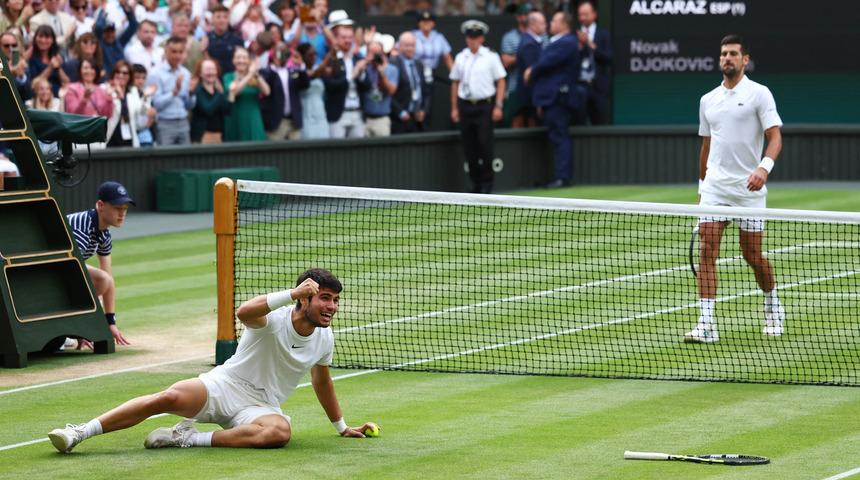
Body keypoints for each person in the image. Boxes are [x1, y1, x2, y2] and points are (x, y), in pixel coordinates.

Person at [48, 268, 378, 453]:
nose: (332, 306)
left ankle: (187, 437)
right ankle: (80, 432)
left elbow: (322, 381)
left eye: (335, 300)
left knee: (279, 434)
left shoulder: (325, 338)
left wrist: (341, 426)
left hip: (260, 406)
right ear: (304, 297)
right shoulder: (273, 319)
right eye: (324, 298)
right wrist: (288, 294)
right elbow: (243, 312)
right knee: (167, 398)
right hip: (223, 386)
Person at [684, 34, 784, 343]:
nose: (727, 58)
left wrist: (763, 169)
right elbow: (706, 146)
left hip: (748, 191)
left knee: (752, 255)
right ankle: (706, 323)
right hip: (715, 188)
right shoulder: (707, 100)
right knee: (707, 251)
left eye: (733, 54)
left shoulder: (760, 94)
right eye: (724, 53)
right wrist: (702, 187)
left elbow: (775, 137)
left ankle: (772, 304)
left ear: (745, 60)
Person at [63, 181, 134, 349]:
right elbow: (69, 273)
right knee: (100, 280)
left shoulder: (104, 233)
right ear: (101, 205)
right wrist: (83, 326)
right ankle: (66, 330)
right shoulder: (81, 227)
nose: (122, 213)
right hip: (46, 273)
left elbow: (108, 279)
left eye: (125, 209)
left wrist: (110, 322)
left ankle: (71, 328)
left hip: (63, 271)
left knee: (104, 279)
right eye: (117, 208)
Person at [524, 11, 582, 189]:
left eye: (555, 21)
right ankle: (560, 176)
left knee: (560, 137)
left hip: (558, 98)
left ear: (564, 24)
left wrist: (532, 70)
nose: (551, 24)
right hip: (550, 99)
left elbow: (547, 62)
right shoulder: (558, 41)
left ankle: (562, 177)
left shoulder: (568, 42)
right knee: (557, 137)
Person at [449, 20, 505, 194]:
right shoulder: (460, 57)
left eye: (476, 37)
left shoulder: (491, 56)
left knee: (485, 145)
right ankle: (475, 185)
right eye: (469, 37)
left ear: (481, 38)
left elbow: (501, 80)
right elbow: (455, 83)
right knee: (469, 147)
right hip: (466, 107)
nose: (472, 40)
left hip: (484, 106)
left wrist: (498, 105)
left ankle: (487, 185)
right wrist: (454, 108)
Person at [323, 13, 369, 139]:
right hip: (338, 114)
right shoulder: (331, 60)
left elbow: (367, 86)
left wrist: (361, 73)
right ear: (336, 38)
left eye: (350, 37)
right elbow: (330, 86)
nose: (348, 41)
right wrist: (351, 75)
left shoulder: (358, 58)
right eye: (344, 37)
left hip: (358, 113)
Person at [260, 42, 309, 141]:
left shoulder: (293, 71)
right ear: (273, 54)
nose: (282, 55)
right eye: (279, 52)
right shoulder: (266, 71)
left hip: (294, 120)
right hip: (276, 122)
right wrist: (275, 65)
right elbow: (266, 89)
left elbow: (305, 85)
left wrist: (301, 66)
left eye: (285, 52)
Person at [413, 10, 452, 127]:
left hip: (431, 75)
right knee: (416, 101)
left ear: (433, 23)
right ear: (419, 23)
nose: (426, 24)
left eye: (429, 21)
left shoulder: (438, 37)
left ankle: (425, 126)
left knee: (428, 104)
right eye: (423, 21)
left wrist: (456, 76)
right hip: (415, 74)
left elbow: (447, 58)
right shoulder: (412, 36)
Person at [574, 0, 612, 125]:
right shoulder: (574, 35)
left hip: (599, 87)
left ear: (594, 14)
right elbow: (570, 60)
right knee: (578, 122)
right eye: (580, 15)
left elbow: (608, 58)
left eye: (586, 14)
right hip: (580, 87)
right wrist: (580, 46)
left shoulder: (604, 34)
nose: (583, 18)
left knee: (601, 121)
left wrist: (590, 44)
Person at [223, 47, 270, 142]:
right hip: (235, 119)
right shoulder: (228, 76)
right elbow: (234, 92)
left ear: (249, 61)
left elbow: (267, 91)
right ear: (233, 60)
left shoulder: (255, 77)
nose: (241, 60)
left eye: (244, 58)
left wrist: (256, 74)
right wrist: (249, 75)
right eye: (238, 57)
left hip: (253, 120)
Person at [389, 31, 429, 134]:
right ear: (399, 46)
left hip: (417, 117)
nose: (410, 48)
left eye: (412, 45)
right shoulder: (393, 63)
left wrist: (423, 109)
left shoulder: (419, 64)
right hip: (399, 117)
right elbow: (388, 91)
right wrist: (400, 112)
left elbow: (425, 90)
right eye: (407, 45)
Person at [357, 37, 397, 137]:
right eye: (371, 52)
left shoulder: (391, 69)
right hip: (364, 118)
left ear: (382, 53)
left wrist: (382, 73)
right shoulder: (364, 68)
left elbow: (391, 91)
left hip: (382, 119)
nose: (374, 56)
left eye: (377, 53)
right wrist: (365, 62)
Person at [499, 3, 531, 127]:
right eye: (522, 15)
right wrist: (525, 56)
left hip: (535, 86)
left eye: (527, 15)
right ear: (518, 17)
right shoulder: (509, 37)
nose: (525, 18)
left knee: (534, 121)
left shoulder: (540, 34)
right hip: (515, 87)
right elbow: (505, 62)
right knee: (516, 120)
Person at [106, 60, 147, 148]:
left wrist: (145, 97)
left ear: (129, 76)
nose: (121, 75)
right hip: (111, 135)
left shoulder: (133, 91)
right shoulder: (106, 88)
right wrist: (113, 95)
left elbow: (141, 112)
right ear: (113, 73)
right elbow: (104, 112)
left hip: (129, 135)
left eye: (125, 73)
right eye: (118, 72)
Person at [515, 11, 546, 129]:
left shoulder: (533, 41)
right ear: (532, 25)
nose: (545, 26)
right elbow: (533, 73)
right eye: (542, 23)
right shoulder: (529, 44)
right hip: (531, 96)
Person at [190, 58, 231, 143]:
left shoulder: (218, 91)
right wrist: (220, 94)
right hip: (202, 136)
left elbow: (227, 110)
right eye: (207, 70)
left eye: (213, 69)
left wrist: (227, 94)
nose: (211, 72)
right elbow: (208, 109)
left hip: (218, 135)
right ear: (200, 73)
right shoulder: (198, 90)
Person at [94, 0, 137, 76]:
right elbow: (99, 27)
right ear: (103, 33)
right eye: (107, 32)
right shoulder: (99, 43)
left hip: (121, 77)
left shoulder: (119, 42)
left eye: (112, 32)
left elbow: (133, 26)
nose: (110, 35)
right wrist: (102, 13)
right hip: (106, 79)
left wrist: (126, 9)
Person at [297, 42, 330, 139]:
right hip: (306, 115)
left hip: (320, 114)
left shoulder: (319, 69)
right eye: (310, 55)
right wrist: (329, 55)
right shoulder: (298, 72)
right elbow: (313, 74)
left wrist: (334, 54)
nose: (314, 57)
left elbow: (330, 72)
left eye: (315, 54)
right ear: (302, 56)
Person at [28, 24, 68, 96]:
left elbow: (66, 82)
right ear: (35, 38)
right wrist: (50, 68)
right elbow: (34, 85)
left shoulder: (58, 57)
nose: (43, 40)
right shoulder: (31, 57)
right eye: (40, 36)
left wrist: (58, 68)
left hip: (57, 94)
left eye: (47, 37)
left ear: (53, 40)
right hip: (38, 95)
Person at [206, 5, 244, 74]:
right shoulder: (206, 39)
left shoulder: (237, 40)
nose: (222, 20)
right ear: (212, 19)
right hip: (212, 77)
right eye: (218, 17)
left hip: (231, 79)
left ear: (228, 20)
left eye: (225, 17)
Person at [130, 63, 156, 146]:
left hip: (146, 136)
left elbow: (149, 118)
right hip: (132, 136)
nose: (141, 81)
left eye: (143, 78)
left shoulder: (146, 94)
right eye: (137, 77)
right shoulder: (128, 94)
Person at [0, 30, 30, 100]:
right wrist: (9, 72)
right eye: (6, 46)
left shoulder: (22, 64)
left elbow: (28, 95)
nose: (11, 48)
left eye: (14, 45)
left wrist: (21, 77)